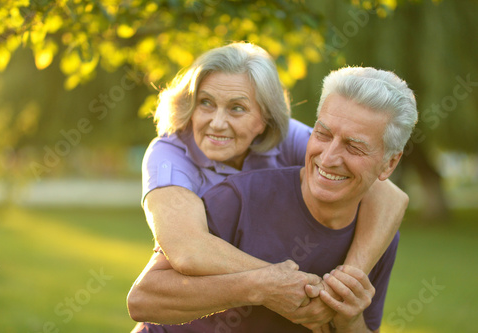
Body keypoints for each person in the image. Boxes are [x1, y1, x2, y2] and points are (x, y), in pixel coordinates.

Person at [128, 66, 418, 332]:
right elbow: (142, 299)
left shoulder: (377, 237)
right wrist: (261, 287)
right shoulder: (238, 197)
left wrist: (349, 318)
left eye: (354, 147)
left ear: (389, 164)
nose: (329, 158)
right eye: (323, 134)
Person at [140, 41, 407, 279]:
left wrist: (351, 277)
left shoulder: (286, 136)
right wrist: (279, 281)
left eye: (237, 108)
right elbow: (188, 250)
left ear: (265, 118)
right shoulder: (168, 154)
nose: (217, 123)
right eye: (206, 103)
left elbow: (389, 196)